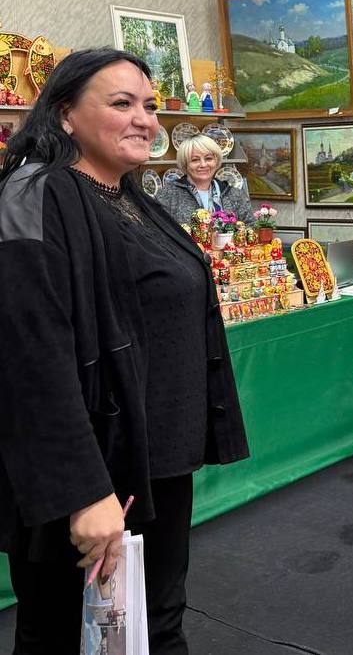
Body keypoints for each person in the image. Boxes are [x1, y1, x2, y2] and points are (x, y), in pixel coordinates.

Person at [0, 48, 250, 654]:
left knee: (153, 625)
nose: (145, 119)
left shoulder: (131, 194)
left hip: (153, 465)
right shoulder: (35, 192)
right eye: (121, 103)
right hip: (89, 474)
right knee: (66, 634)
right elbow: (28, 356)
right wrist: (83, 492)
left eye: (149, 105)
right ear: (64, 114)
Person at [156, 133, 253, 225]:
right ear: (185, 164)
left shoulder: (234, 194)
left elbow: (251, 227)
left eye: (208, 158)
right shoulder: (168, 195)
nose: (203, 164)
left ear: (216, 161)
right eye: (195, 160)